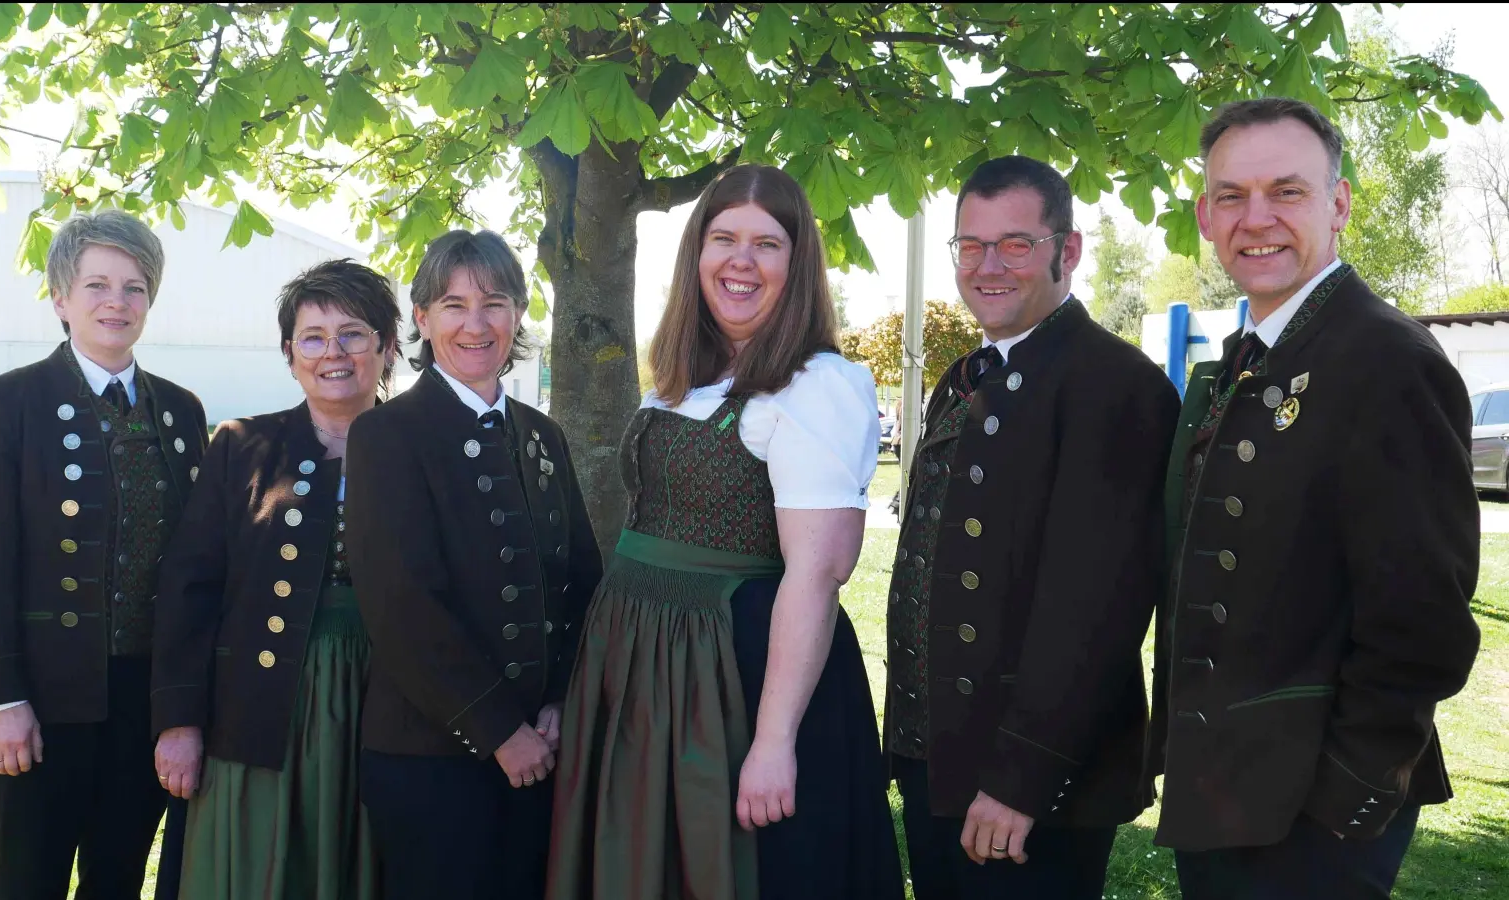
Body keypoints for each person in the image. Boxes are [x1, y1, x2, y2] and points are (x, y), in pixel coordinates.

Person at [1149, 97, 1482, 900]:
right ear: (1205, 214)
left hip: (1306, 813)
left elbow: (1425, 624)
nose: (1255, 217)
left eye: (1286, 191)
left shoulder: (1384, 360)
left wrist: (1344, 798)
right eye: (1231, 195)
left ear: (1338, 204)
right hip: (1225, 786)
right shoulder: (1256, 354)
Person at [546, 164, 904, 900]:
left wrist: (772, 743)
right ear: (697, 255)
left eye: (767, 245)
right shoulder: (683, 375)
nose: (741, 261)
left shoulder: (815, 386)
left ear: (797, 263)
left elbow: (818, 573)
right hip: (648, 667)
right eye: (724, 239)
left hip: (735, 677)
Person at [885, 156, 1179, 900]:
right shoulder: (971, 377)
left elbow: (1098, 610)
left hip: (1030, 782)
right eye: (970, 246)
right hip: (941, 758)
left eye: (1015, 243)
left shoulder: (1117, 386)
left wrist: (1023, 775)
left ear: (1067, 251)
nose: (988, 266)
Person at [0, 209, 208, 899]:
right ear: (60, 298)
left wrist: (184, 703)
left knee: (118, 875)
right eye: (96, 285)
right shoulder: (9, 402)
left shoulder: (180, 412)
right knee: (30, 875)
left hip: (143, 699)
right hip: (43, 695)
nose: (116, 303)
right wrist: (0, 699)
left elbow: (195, 569)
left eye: (134, 287)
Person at [343, 230, 602, 900]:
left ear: (518, 313)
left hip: (542, 753)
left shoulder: (543, 437)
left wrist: (561, 699)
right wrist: (500, 731)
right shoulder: (386, 435)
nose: (476, 323)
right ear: (423, 321)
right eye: (453, 305)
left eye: (494, 302)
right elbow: (401, 606)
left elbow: (583, 581)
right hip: (431, 759)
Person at [149, 259, 401, 898]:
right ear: (289, 354)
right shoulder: (242, 446)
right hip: (260, 705)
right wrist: (179, 721)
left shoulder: (425, 449)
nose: (332, 353)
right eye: (312, 337)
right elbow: (189, 589)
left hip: (396, 698)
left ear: (389, 347)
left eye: (353, 333)